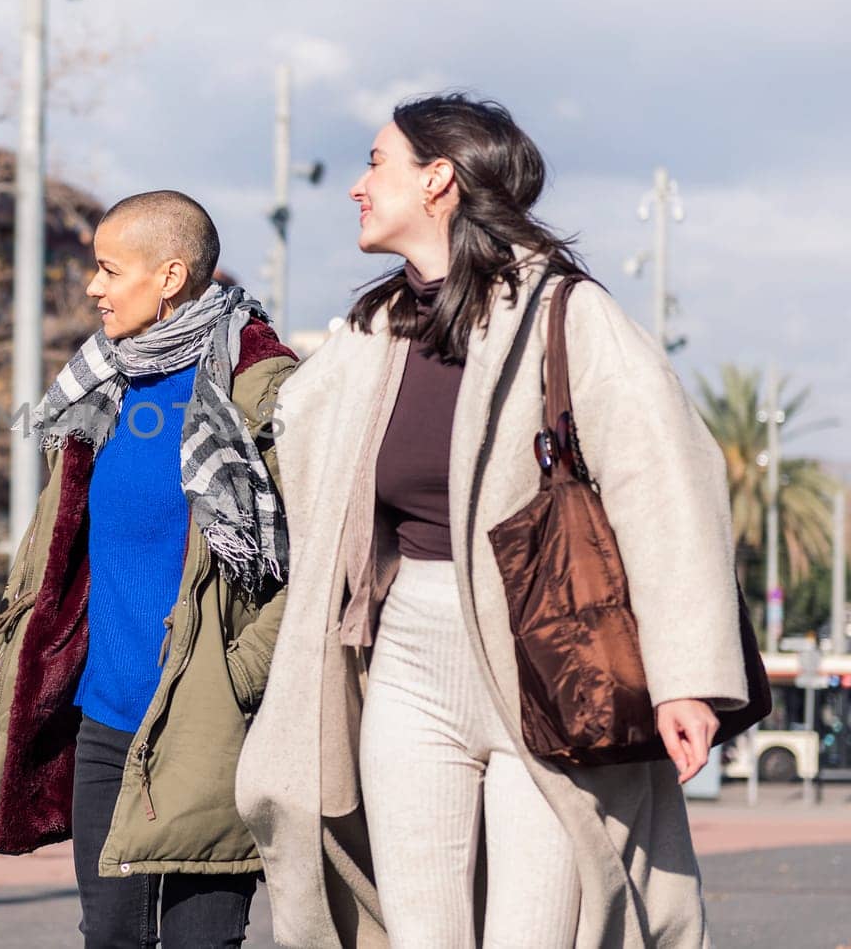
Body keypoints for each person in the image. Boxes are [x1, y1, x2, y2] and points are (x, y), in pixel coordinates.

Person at [237, 94, 750, 948]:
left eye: (377, 162)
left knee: (534, 934)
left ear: (438, 179)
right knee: (421, 932)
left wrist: (685, 676)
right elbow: (292, 448)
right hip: (408, 657)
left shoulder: (567, 314)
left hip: (545, 666)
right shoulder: (377, 328)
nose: (359, 185)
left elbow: (667, 482)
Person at [0, 191, 298, 948]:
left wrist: (237, 675)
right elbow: (60, 549)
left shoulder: (261, 387)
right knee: (111, 939)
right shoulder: (103, 384)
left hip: (207, 724)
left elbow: (306, 562)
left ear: (169, 276)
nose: (93, 287)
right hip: (106, 722)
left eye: (108, 269)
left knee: (203, 941)